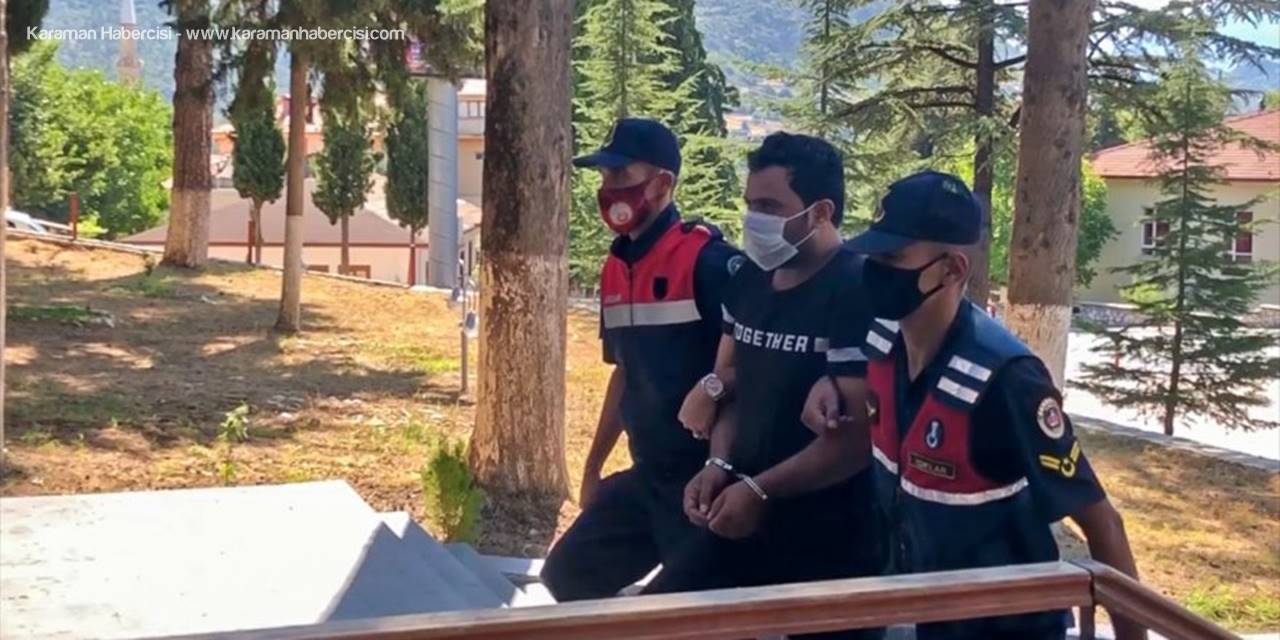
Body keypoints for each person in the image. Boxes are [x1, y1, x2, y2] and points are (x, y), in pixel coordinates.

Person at [805, 170, 1144, 640]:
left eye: (894, 257)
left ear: (953, 269)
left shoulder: (1006, 378)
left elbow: (1102, 522)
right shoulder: (882, 342)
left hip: (1008, 629)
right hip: (921, 613)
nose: (875, 269)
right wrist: (828, 385)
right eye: (874, 255)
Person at [657, 132, 883, 640]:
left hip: (832, 539)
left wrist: (762, 489)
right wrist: (718, 464)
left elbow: (855, 440)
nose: (753, 220)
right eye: (750, 205)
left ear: (820, 212)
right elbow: (733, 384)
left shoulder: (857, 287)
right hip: (739, 516)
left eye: (769, 207)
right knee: (654, 621)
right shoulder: (749, 280)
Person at [540, 118, 742, 601]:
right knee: (566, 575)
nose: (609, 188)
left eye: (621, 174)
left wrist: (715, 392)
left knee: (677, 612)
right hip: (648, 476)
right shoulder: (615, 269)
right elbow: (623, 375)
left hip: (705, 484)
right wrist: (592, 468)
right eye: (604, 176)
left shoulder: (709, 262)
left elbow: (758, 364)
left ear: (663, 183)